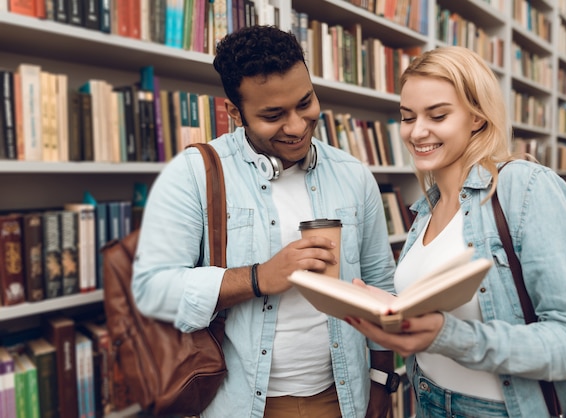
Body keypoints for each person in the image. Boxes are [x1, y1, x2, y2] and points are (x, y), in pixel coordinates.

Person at [131, 25, 398, 418]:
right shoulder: (193, 173)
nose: (296, 126)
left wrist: (381, 384)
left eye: (304, 103)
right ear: (234, 112)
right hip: (239, 404)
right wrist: (258, 278)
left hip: (344, 399)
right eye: (273, 115)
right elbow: (151, 289)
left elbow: (381, 285)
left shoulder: (353, 173)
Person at [344, 46, 566, 417]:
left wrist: (447, 335)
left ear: (478, 118)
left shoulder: (526, 188)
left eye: (438, 115)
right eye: (407, 117)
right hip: (428, 399)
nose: (417, 132)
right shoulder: (425, 208)